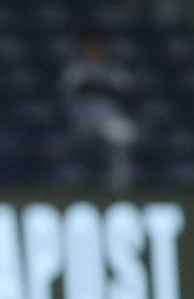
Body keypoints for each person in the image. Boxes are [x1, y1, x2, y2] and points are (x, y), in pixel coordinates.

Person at [57, 31, 137, 190]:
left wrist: (99, 88)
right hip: (81, 123)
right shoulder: (75, 70)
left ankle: (120, 183)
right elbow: (74, 90)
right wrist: (104, 89)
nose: (96, 52)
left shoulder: (114, 70)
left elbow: (128, 91)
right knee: (118, 132)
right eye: (91, 48)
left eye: (99, 48)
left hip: (111, 123)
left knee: (123, 134)